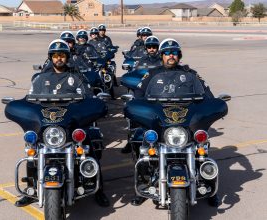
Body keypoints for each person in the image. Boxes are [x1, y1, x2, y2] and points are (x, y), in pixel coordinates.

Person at [15, 39, 110, 207]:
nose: (59, 59)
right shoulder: (40, 78)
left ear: (67, 57)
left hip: (71, 122)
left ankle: (99, 190)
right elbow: (30, 100)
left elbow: (89, 98)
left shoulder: (77, 77)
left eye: (62, 55)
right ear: (51, 58)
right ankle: (31, 189)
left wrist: (94, 104)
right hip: (48, 123)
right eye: (56, 56)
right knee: (32, 151)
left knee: (89, 147)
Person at [129, 38, 216, 207]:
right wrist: (139, 108)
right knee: (145, 149)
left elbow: (206, 92)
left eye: (174, 52)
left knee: (202, 149)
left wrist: (211, 104)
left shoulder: (190, 73)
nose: (170, 56)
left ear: (179, 55)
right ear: (162, 55)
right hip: (160, 120)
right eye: (167, 53)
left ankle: (210, 188)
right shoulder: (152, 74)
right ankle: (142, 188)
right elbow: (139, 93)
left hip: (186, 121)